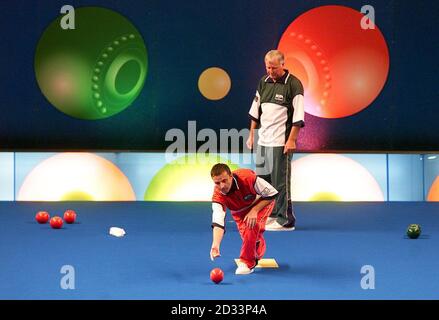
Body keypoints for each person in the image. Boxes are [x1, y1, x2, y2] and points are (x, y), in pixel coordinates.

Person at [246, 49, 305, 231]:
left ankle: (285, 219)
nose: (270, 71)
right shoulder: (263, 82)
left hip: (281, 143)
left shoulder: (294, 84)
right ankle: (269, 214)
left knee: (280, 183)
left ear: (283, 65)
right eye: (267, 67)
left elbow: (298, 116)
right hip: (263, 141)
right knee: (263, 182)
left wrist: (292, 140)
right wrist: (251, 135)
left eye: (273, 68)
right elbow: (256, 112)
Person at [209, 163, 278, 275]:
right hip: (239, 212)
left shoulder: (247, 177)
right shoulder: (218, 197)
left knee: (252, 226)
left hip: (261, 203)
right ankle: (257, 247)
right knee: (251, 238)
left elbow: (272, 193)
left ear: (231, 176)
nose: (222, 186)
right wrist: (215, 245)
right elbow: (218, 222)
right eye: (217, 183)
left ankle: (246, 263)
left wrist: (254, 210)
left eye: (224, 181)